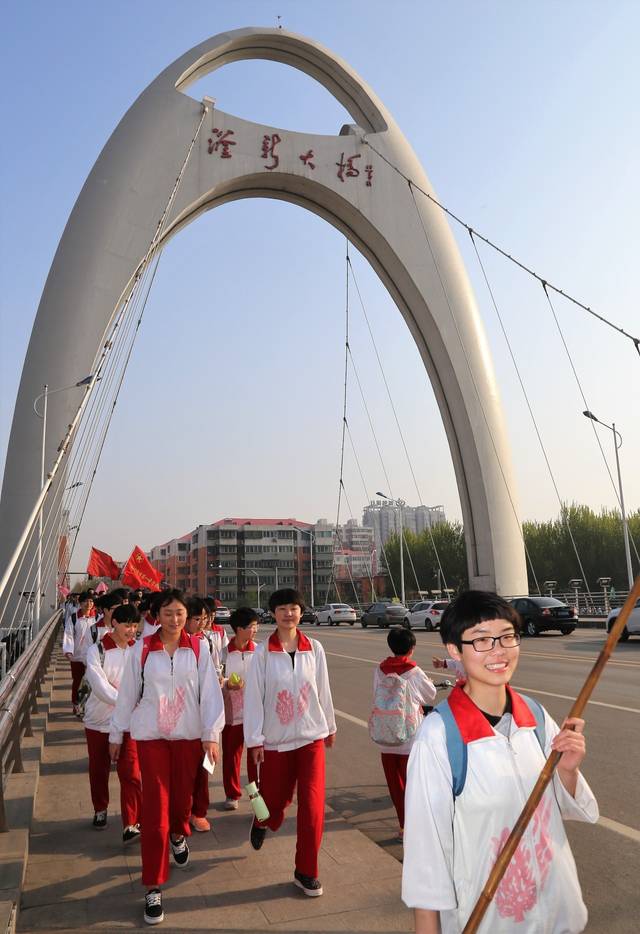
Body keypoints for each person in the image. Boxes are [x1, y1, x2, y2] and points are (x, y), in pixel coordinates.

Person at [402, 590, 599, 934]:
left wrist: (568, 770)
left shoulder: (536, 718)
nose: (498, 651)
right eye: (481, 640)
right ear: (454, 650)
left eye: (507, 637)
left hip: (558, 915)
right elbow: (427, 857)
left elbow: (560, 810)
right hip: (490, 923)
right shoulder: (439, 737)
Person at [109, 589, 224, 926]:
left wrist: (210, 735)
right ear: (156, 615)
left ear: (188, 617)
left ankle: (178, 834)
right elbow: (128, 694)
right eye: (168, 613)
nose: (175, 620)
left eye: (180, 614)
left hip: (188, 738)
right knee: (155, 810)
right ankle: (153, 886)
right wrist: (117, 733)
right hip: (152, 738)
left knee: (180, 805)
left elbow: (211, 695)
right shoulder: (142, 650)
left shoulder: (200, 648)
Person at [244, 588, 336, 898]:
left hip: (311, 738)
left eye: (294, 607)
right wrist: (254, 740)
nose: (289, 613)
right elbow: (254, 698)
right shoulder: (262, 653)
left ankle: (305, 871)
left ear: (301, 611)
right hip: (276, 741)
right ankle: (261, 820)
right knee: (273, 803)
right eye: (282, 608)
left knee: (312, 808)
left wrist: (330, 726)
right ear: (273, 613)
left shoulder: (316, 648)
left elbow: (322, 689)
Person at [83, 602, 142, 837]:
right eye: (127, 625)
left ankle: (131, 822)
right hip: (99, 721)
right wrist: (127, 700)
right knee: (99, 769)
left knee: (131, 773)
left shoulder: (138, 650)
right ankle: (100, 808)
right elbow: (99, 687)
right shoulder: (96, 651)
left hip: (129, 723)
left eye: (135, 626)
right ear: (114, 623)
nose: (131, 630)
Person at [370, 627, 436, 837]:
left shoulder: (380, 670)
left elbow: (375, 694)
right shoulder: (414, 672)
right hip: (409, 735)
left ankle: (403, 826)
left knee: (395, 784)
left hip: (385, 735)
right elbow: (430, 695)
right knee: (413, 784)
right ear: (412, 648)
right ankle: (417, 826)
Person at [220, 606, 259, 810]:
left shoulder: (260, 652)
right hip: (231, 714)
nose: (255, 630)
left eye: (255, 626)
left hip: (254, 714)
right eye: (251, 627)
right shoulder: (224, 654)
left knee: (256, 758)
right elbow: (216, 680)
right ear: (238, 628)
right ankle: (232, 794)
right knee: (231, 756)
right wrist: (227, 684)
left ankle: (256, 797)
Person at [184, 595, 217, 832]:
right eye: (197, 619)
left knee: (204, 768)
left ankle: (199, 811)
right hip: (180, 717)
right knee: (182, 771)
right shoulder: (173, 643)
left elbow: (213, 676)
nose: (202, 623)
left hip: (203, 714)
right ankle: (182, 811)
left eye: (204, 618)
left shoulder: (206, 641)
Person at [62, 590, 95, 715]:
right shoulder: (74, 618)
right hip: (77, 656)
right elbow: (69, 634)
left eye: (91, 601)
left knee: (92, 682)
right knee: (77, 681)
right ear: (80, 603)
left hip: (93, 657)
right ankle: (76, 704)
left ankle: (87, 706)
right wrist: (69, 651)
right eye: (86, 601)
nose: (89, 604)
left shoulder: (96, 617)